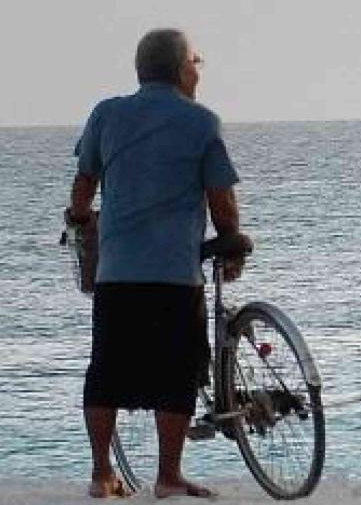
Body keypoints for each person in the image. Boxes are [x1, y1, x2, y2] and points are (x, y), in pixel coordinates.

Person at [66, 28, 246, 499]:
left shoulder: (106, 114)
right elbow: (221, 200)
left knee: (105, 370)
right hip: (173, 274)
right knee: (177, 373)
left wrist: (80, 220)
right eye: (195, 63)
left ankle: (101, 473)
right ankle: (168, 476)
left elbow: (84, 183)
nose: (198, 71)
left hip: (116, 272)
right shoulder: (202, 122)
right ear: (181, 70)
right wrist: (230, 241)